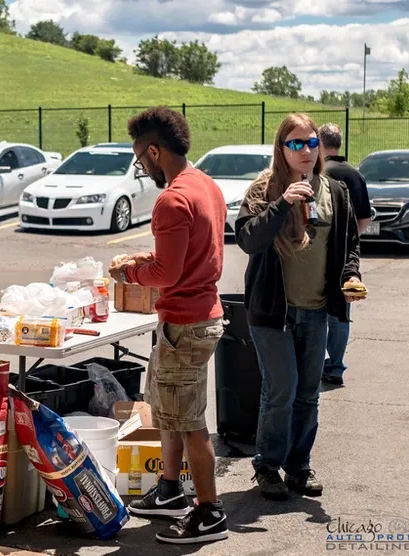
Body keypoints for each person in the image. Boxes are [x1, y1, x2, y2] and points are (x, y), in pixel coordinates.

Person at [108, 106, 228, 545]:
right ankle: (170, 491)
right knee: (168, 413)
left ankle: (210, 512)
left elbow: (168, 274)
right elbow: (188, 256)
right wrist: (147, 262)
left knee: (190, 421)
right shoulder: (206, 186)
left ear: (155, 151)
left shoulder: (172, 197)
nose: (142, 167)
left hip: (186, 325)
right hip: (195, 318)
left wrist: (129, 273)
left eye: (141, 159)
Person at [235, 113, 362, 501]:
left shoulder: (335, 191)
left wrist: (351, 275)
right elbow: (247, 240)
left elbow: (350, 244)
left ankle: (298, 466)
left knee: (308, 392)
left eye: (310, 143)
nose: (305, 151)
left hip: (316, 309)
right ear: (282, 148)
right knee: (282, 390)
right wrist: (282, 204)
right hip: (274, 313)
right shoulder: (263, 188)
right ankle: (268, 466)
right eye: (295, 144)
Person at [318, 123, 372, 386]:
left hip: (316, 254)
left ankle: (314, 364)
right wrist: (350, 239)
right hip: (344, 259)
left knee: (315, 311)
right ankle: (335, 367)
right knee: (341, 313)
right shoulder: (354, 174)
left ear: (320, 141)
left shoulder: (318, 173)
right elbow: (365, 217)